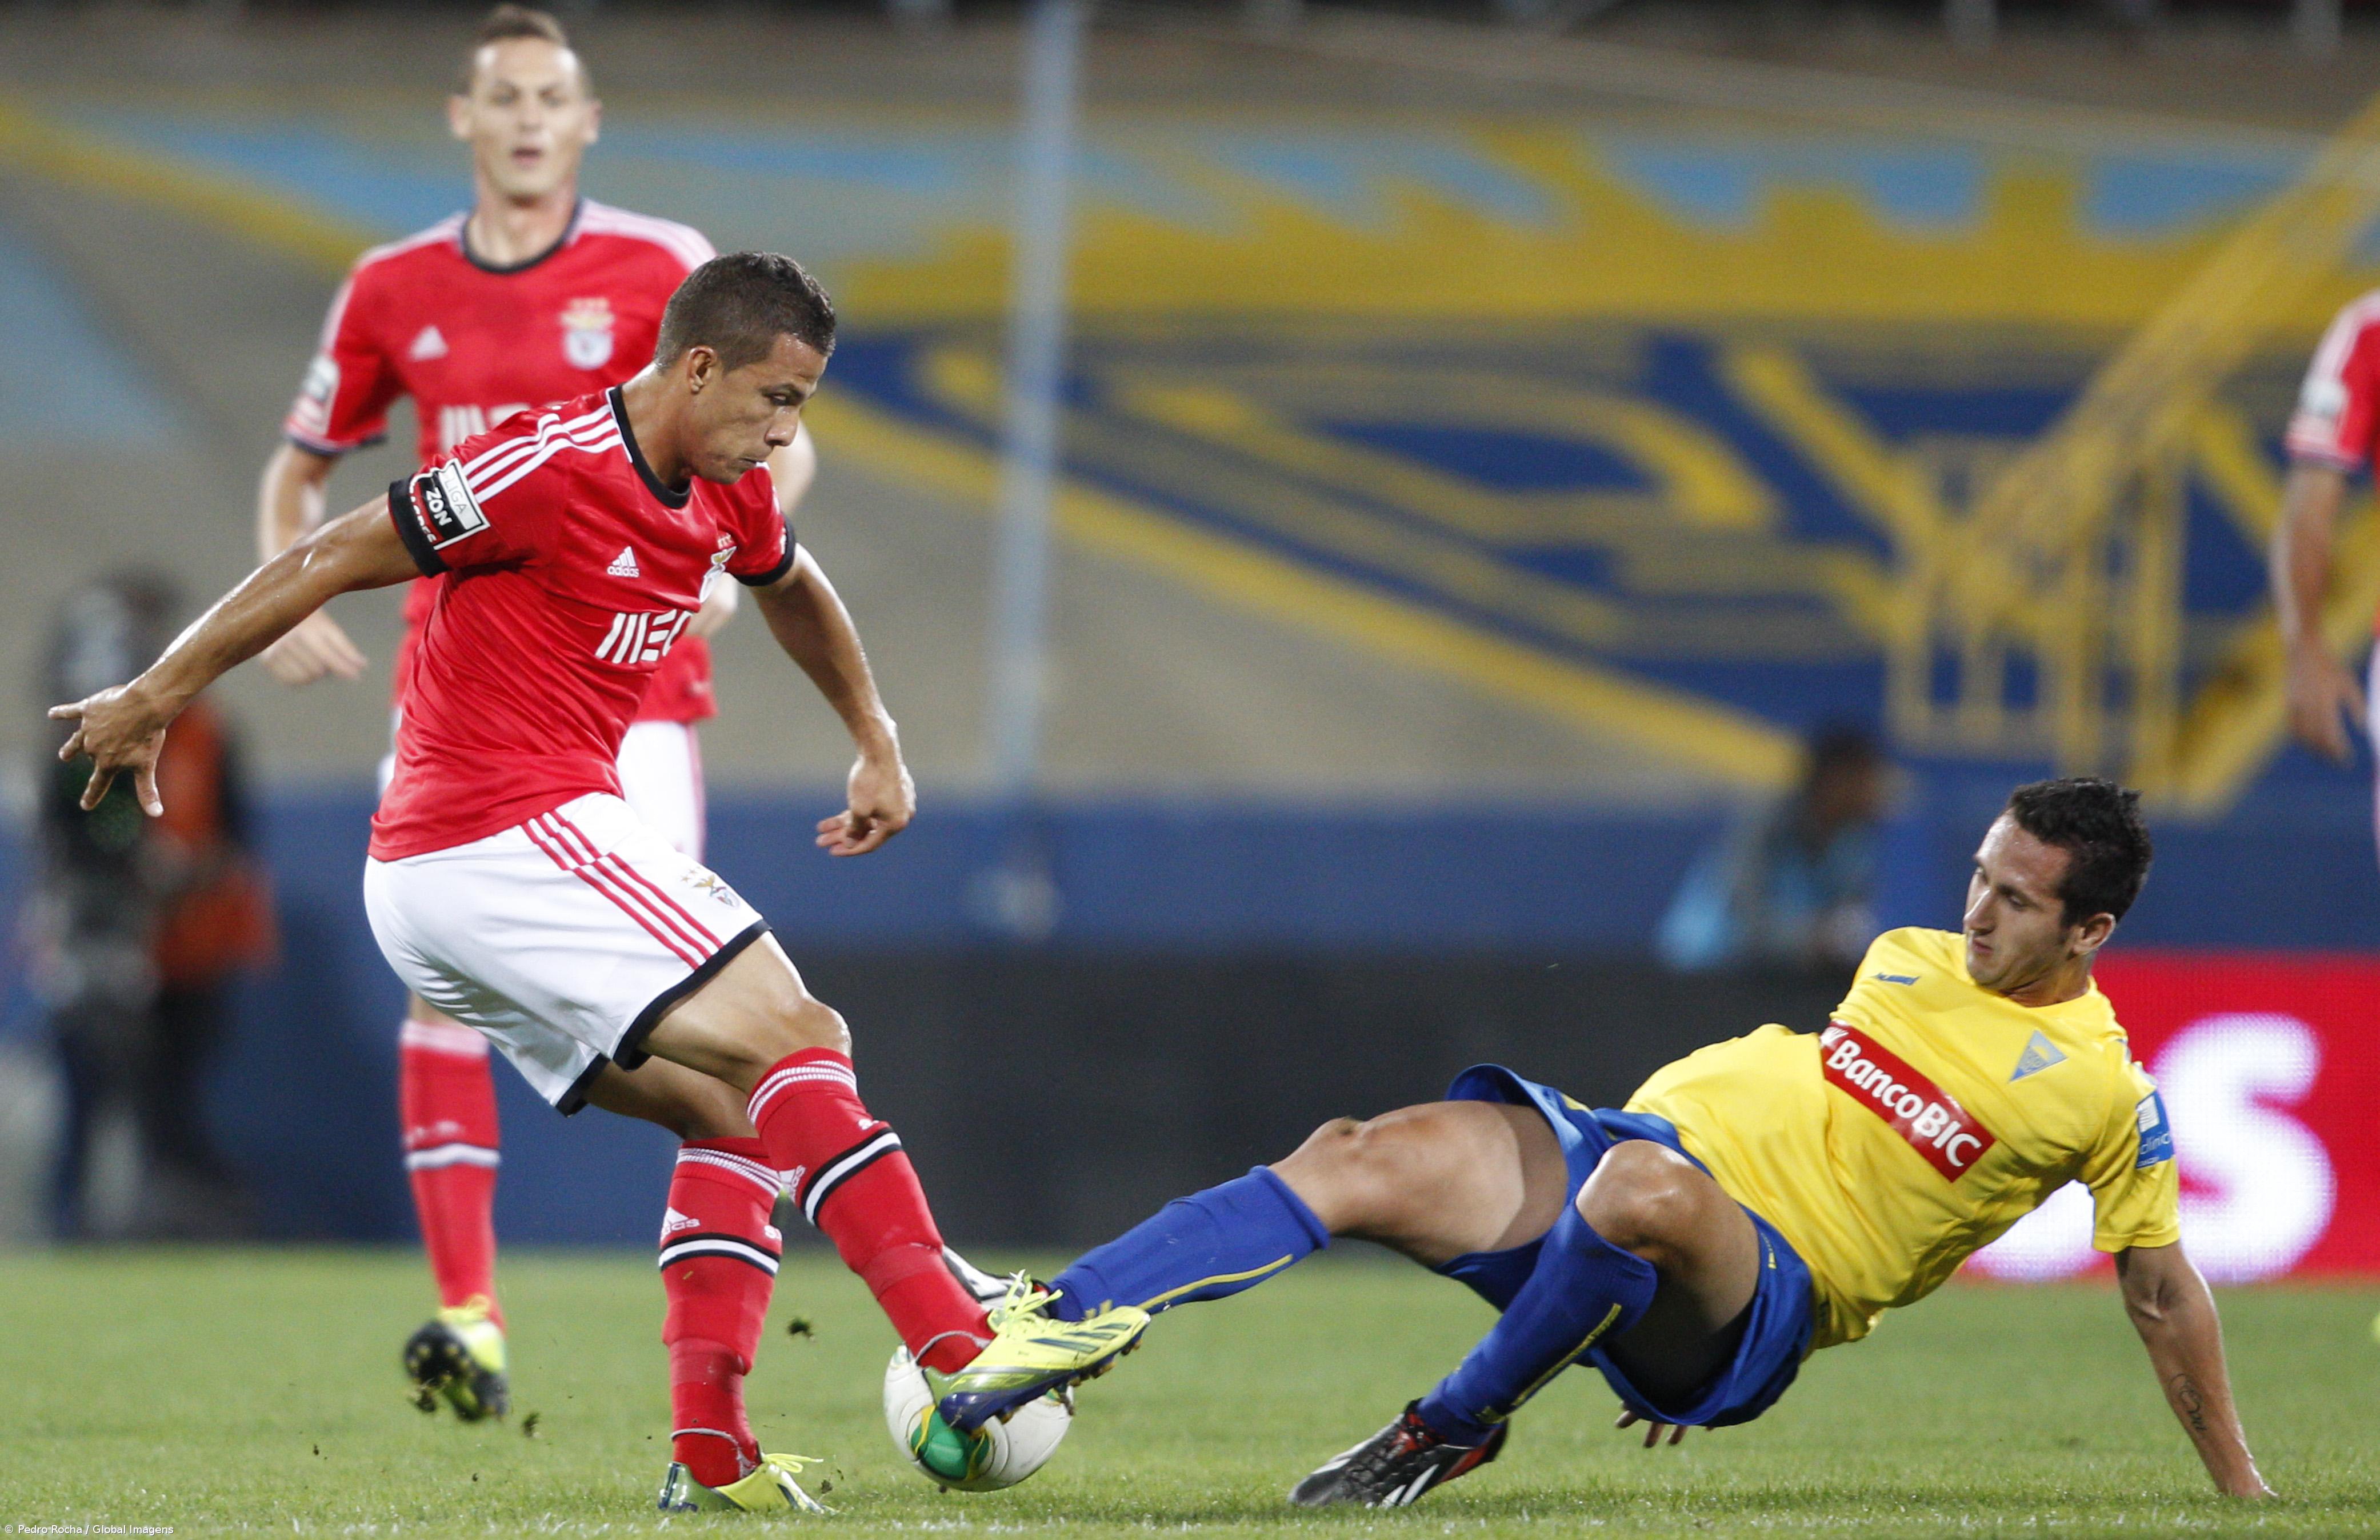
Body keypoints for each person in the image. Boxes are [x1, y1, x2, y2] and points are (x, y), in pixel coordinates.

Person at [54, 252, 1149, 1515]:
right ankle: (963, 1346)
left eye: (801, 407)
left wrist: (875, 737)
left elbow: (793, 587)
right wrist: (158, 693)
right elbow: (336, 550)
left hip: (462, 873)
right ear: (699, 367)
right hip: (494, 835)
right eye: (776, 399)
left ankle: (711, 1456)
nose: (785, 433)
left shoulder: (726, 488)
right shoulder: (548, 467)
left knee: (734, 1112)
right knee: (803, 1037)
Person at [939, 778, 2272, 1509]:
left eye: (2017, 900)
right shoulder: (1908, 957)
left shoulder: (2102, 1094)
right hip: (1634, 1164)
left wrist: (2244, 1492)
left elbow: (2161, 1291)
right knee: (1356, 1151)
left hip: (1760, 1292)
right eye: (1980, 875)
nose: (1978, 911)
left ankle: (1443, 1432)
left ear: (2089, 932)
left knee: (1641, 1189)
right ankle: (1064, 1315)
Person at [255, 4, 817, 1420]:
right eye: (500, 96)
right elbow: (302, 468)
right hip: (459, 701)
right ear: (463, 116)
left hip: (637, 695)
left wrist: (731, 563)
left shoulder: (662, 265)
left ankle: (741, 1345)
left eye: (548, 97)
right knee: (442, 991)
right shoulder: (391, 286)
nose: (524, 119)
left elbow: (773, 444)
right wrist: (289, 589)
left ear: (586, 122)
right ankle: (472, 1312)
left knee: (707, 1038)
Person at [34, 574, 275, 1241]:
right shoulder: (76, 747)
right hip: (103, 944)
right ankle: (72, 1226)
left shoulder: (206, 733)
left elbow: (235, 840)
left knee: (169, 1098)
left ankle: (170, 1221)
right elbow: (77, 840)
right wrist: (122, 877)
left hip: (187, 950)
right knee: (87, 1090)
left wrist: (181, 874)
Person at [1657, 725, 1889, 976]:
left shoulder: (1855, 841)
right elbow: (1746, 919)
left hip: (1785, 975)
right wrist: (1810, 940)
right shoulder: (1764, 828)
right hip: (1707, 971)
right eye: (1863, 780)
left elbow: (1848, 920)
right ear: (1833, 780)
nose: (1874, 791)